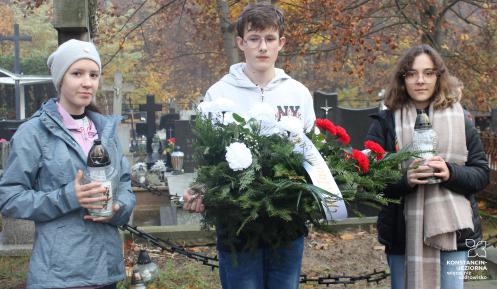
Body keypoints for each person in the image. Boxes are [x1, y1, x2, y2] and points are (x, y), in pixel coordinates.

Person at [183, 3, 315, 289]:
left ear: (281, 43)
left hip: (286, 219)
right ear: (241, 42)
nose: (262, 47)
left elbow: (311, 156)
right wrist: (203, 187)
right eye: (254, 39)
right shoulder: (219, 93)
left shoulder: (298, 93)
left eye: (269, 39)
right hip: (236, 221)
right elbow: (209, 158)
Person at [0, 39, 135, 289]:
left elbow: (125, 183)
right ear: (60, 79)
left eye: (93, 74)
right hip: (60, 276)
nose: (87, 82)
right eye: (77, 73)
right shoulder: (34, 133)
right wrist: (69, 197)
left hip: (107, 272)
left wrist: (118, 208)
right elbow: (9, 198)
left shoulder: (105, 131)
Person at [366, 44, 489, 289]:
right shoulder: (386, 121)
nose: (420, 80)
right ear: (402, 79)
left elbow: (481, 174)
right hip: (403, 234)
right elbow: (371, 182)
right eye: (412, 74)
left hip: (455, 234)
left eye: (428, 73)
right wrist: (406, 181)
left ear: (438, 77)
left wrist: (450, 172)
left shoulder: (461, 118)